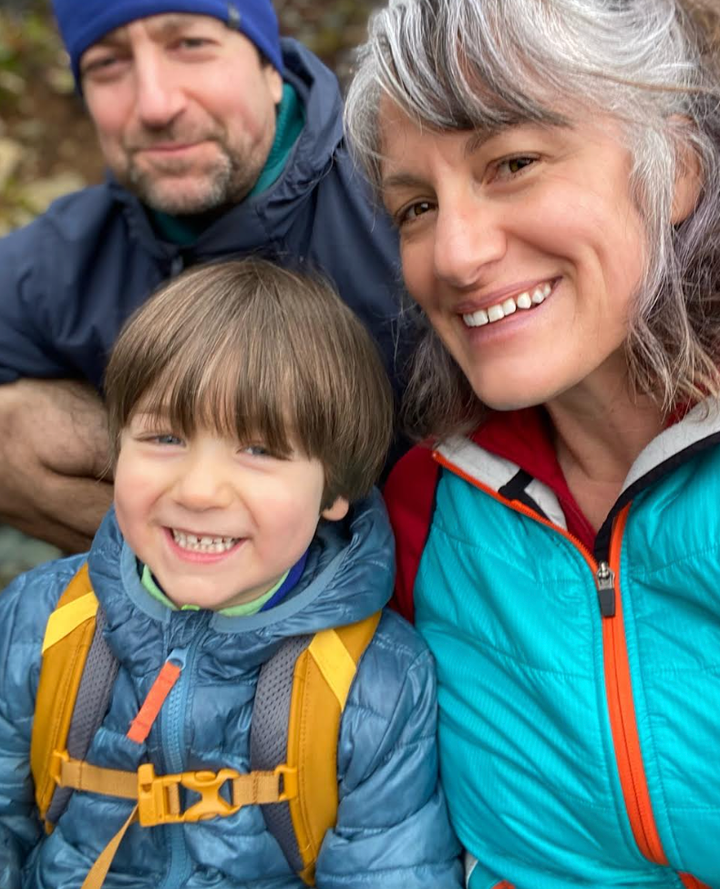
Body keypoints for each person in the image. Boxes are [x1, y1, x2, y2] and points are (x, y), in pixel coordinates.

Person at [344, 0, 720, 888]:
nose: (457, 254)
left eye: (511, 162)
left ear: (673, 168)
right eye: (415, 206)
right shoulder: (425, 511)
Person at [0, 258, 462, 888]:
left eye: (260, 449)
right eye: (164, 438)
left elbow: (391, 872)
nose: (199, 490)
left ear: (335, 489)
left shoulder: (376, 682)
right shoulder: (42, 620)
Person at [0, 0, 402, 555]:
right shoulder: (77, 253)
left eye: (190, 44)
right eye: (108, 64)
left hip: (436, 613)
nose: (156, 103)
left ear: (270, 68)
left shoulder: (401, 204)